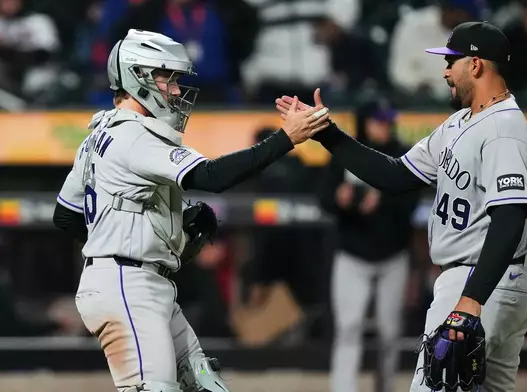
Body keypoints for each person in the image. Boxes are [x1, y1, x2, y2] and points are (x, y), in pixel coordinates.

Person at [52, 29, 329, 392]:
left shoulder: (98, 134)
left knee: (205, 385)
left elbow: (67, 216)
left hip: (138, 282)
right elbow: (212, 176)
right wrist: (287, 138)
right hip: (128, 285)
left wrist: (148, 231)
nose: (177, 91)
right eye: (168, 79)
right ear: (139, 77)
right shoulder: (135, 135)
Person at [276, 21, 527, 392]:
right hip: (487, 281)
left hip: (481, 281)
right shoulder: (461, 122)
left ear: (476, 65)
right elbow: (395, 176)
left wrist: (470, 300)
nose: (446, 71)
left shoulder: (504, 129)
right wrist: (327, 132)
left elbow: (511, 215)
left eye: (452, 61)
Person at [321, 98, 419, 392]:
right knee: (348, 329)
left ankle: (385, 387)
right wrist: (341, 203)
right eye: (379, 120)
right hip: (352, 255)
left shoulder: (403, 154)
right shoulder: (345, 151)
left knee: (390, 333)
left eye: (388, 120)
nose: (385, 126)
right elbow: (324, 199)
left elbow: (412, 200)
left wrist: (383, 200)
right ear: (364, 122)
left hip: (393, 256)